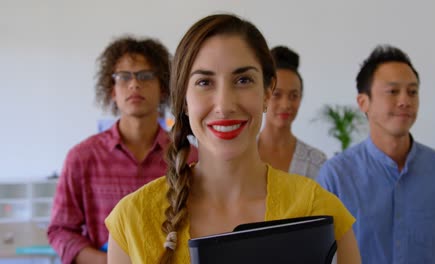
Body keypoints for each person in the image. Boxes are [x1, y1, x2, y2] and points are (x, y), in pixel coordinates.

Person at [105, 14, 361, 264]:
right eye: (204, 82)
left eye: (243, 80)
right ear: (183, 99)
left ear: (267, 92)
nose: (224, 105)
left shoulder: (319, 209)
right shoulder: (132, 221)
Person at [47, 36, 197, 264]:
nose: (134, 84)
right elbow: (60, 231)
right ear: (111, 91)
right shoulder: (82, 157)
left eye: (146, 76)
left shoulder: (189, 156)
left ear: (164, 89)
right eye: (124, 76)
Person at [317, 45, 435, 263]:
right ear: (363, 102)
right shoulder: (336, 175)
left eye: (412, 92)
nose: (405, 100)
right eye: (393, 91)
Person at [258, 46, 326, 179]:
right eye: (277, 94)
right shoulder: (241, 154)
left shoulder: (317, 162)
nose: (286, 105)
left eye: (294, 96)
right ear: (264, 96)